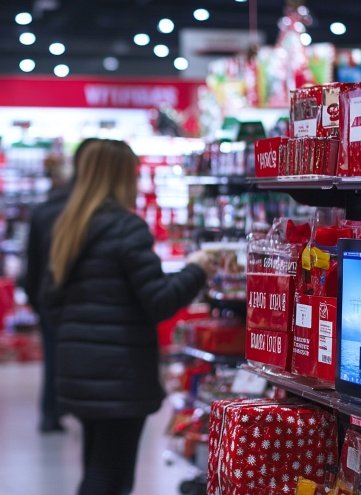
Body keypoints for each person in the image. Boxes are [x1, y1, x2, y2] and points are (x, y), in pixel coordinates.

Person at [45, 139, 215, 495]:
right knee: (111, 477)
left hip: (79, 368)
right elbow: (159, 300)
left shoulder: (69, 227)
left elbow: (49, 298)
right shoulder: (127, 228)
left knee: (96, 467)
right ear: (122, 177)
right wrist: (196, 270)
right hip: (119, 375)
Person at [23, 137, 100, 433]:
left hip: (49, 295)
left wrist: (35, 298)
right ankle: (83, 412)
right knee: (86, 355)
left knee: (53, 355)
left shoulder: (43, 211)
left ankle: (50, 413)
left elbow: (32, 262)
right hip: (82, 296)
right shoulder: (90, 213)